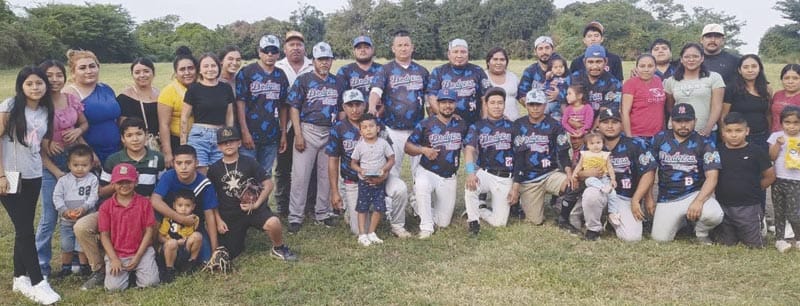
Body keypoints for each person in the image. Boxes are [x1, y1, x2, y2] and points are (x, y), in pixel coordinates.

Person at [75, 118, 165, 290]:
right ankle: (100, 269)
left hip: (145, 208)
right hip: (114, 208)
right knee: (81, 226)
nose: (135, 139)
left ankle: (147, 265)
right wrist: (123, 181)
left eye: (139, 134)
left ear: (146, 136)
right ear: (123, 139)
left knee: (154, 228)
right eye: (129, 135)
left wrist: (143, 194)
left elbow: (161, 188)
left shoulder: (157, 158)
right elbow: (101, 191)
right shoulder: (114, 159)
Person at [2, 66, 60, 305]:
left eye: (39, 83)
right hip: (10, 175)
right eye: (30, 84)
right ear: (21, 86)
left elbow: (40, 147)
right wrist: (1, 176)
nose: (35, 87)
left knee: (24, 226)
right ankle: (38, 281)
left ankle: (19, 278)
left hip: (34, 174)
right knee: (25, 228)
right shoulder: (10, 106)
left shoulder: (47, 110)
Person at [327, 89, 411, 238]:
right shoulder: (338, 128)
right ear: (344, 107)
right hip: (353, 180)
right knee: (359, 230)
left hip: (380, 176)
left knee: (400, 189)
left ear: (365, 105)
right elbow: (333, 160)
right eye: (350, 105)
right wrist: (334, 191)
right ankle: (353, 210)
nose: (354, 109)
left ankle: (397, 225)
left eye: (358, 104)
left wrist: (383, 176)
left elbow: (391, 155)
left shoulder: (377, 125)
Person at [207, 127, 297, 260]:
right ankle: (238, 239)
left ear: (239, 143)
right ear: (218, 146)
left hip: (253, 209)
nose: (228, 145)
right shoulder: (214, 169)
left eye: (232, 141)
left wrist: (256, 204)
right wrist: (219, 220)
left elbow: (268, 184)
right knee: (230, 253)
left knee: (274, 223)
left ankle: (278, 248)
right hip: (230, 214)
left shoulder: (249, 162)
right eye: (224, 142)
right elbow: (210, 198)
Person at [35, 59, 90, 278]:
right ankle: (41, 265)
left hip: (75, 160)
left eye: (59, 75)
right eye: (49, 75)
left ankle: (76, 259)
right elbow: (34, 143)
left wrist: (78, 132)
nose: (55, 79)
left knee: (78, 210)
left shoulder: (71, 99)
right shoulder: (38, 104)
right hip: (48, 164)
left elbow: (84, 124)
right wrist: (54, 170)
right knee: (50, 216)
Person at [286, 41, 344, 233]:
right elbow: (294, 107)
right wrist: (298, 134)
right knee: (300, 176)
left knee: (326, 176)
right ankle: (295, 216)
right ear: (313, 61)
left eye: (327, 59)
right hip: (308, 129)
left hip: (330, 131)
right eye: (320, 60)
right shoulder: (304, 80)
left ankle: (323, 213)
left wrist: (340, 133)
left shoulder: (337, 82)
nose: (324, 63)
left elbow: (342, 109)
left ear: (332, 60)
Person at [578, 108, 656, 242]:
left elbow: (649, 172)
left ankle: (611, 220)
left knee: (632, 238)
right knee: (591, 194)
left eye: (614, 122)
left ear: (621, 124)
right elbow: (578, 173)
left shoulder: (636, 144)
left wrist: (637, 199)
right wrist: (586, 173)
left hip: (625, 197)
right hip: (600, 192)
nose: (609, 126)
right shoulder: (591, 144)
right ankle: (593, 228)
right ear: (598, 125)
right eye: (605, 122)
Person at [650, 103, 723, 244]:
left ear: (695, 121)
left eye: (687, 121)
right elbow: (649, 170)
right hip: (668, 198)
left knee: (714, 215)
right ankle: (683, 222)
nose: (683, 125)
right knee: (660, 239)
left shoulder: (705, 142)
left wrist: (699, 201)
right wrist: (648, 198)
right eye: (678, 121)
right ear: (671, 121)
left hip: (694, 193)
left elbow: (712, 177)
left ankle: (701, 231)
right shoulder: (659, 138)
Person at [405, 89, 468, 238]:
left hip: (448, 176)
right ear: (437, 104)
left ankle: (415, 203)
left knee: (443, 222)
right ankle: (426, 227)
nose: (447, 106)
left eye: (450, 102)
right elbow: (407, 147)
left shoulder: (461, 124)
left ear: (455, 104)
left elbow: (469, 149)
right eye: (444, 102)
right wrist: (423, 150)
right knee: (421, 185)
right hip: (427, 171)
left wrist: (470, 170)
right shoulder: (426, 124)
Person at [368, 30, 429, 181]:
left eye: (406, 45)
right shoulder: (385, 70)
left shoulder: (422, 71)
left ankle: (417, 201)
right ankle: (393, 201)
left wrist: (434, 122)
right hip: (393, 128)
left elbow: (429, 99)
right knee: (393, 168)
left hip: (417, 127)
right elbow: (376, 90)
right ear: (393, 48)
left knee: (420, 169)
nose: (403, 48)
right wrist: (371, 107)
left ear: (412, 47)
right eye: (399, 45)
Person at [508, 89, 572, 226]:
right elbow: (519, 157)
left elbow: (563, 152)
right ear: (526, 105)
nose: (535, 108)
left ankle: (565, 215)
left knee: (573, 184)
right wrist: (516, 186)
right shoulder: (518, 125)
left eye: (539, 104)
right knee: (535, 221)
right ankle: (522, 199)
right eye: (531, 104)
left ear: (545, 105)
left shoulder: (555, 124)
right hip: (529, 178)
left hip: (550, 173)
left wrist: (569, 172)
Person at [150, 145, 219, 264]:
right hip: (168, 222)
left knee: (206, 259)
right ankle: (156, 252)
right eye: (179, 163)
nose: (183, 167)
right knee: (153, 216)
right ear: (173, 163)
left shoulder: (204, 183)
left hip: (193, 226)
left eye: (188, 162)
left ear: (196, 163)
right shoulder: (169, 176)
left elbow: (209, 216)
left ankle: (188, 257)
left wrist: (215, 250)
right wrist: (180, 219)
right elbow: (155, 200)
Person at [236, 35, 290, 181]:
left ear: (279, 54)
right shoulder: (247, 72)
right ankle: (247, 204)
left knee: (265, 176)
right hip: (250, 134)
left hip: (271, 136)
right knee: (247, 175)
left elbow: (284, 106)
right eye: (266, 51)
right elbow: (240, 102)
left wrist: (283, 133)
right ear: (259, 52)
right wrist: (244, 131)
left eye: (274, 51)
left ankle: (262, 204)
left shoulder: (280, 75)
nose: (270, 55)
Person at [717, 112, 774, 248]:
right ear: (723, 132)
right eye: (729, 131)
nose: (734, 134)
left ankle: (760, 223)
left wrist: (754, 187)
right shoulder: (718, 151)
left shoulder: (756, 151)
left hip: (749, 207)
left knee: (754, 246)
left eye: (739, 130)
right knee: (727, 244)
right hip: (723, 206)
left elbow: (770, 176)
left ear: (747, 131)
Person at [98, 163, 159, 291]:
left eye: (128, 181)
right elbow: (104, 235)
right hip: (118, 253)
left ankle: (138, 272)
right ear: (113, 184)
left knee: (151, 283)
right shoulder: (106, 206)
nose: (124, 185)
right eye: (120, 182)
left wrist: (137, 257)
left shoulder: (144, 203)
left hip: (141, 251)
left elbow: (149, 231)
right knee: (114, 288)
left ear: (136, 182)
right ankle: (128, 275)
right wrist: (114, 259)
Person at [274, 30, 315, 217]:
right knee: (283, 167)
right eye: (292, 44)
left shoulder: (312, 66)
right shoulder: (277, 66)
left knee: (309, 167)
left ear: (304, 47)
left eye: (299, 44)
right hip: (283, 124)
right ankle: (283, 205)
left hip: (306, 124)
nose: (296, 48)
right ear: (285, 47)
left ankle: (309, 204)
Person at [463, 87, 515, 232]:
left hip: (505, 176)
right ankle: (473, 221)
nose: (497, 106)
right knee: (470, 186)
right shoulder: (477, 126)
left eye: (500, 103)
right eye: (492, 103)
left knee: (500, 223)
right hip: (485, 172)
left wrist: (516, 185)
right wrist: (470, 172)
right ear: (486, 104)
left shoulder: (513, 127)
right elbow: (469, 149)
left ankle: (480, 209)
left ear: (504, 105)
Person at [62, 49, 120, 163]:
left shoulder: (106, 88)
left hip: (115, 151)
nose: (89, 71)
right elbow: (70, 129)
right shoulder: (69, 93)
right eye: (82, 68)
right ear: (73, 72)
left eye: (92, 66)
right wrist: (89, 153)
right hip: (88, 154)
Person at [181, 53, 235, 174]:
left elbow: (229, 115)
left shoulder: (226, 88)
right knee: (201, 175)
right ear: (199, 70)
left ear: (218, 67)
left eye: (213, 66)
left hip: (220, 136)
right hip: (199, 136)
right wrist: (183, 143)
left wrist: (229, 136)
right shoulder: (194, 89)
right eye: (205, 66)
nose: (210, 69)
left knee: (220, 173)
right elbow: (184, 117)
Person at [52, 144, 97, 278]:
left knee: (82, 245)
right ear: (69, 164)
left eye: (84, 165)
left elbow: (94, 196)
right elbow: (57, 196)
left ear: (91, 165)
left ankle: (84, 268)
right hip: (67, 220)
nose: (80, 168)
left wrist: (85, 208)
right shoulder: (63, 180)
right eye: (76, 165)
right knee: (67, 245)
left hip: (84, 219)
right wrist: (64, 210)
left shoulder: (92, 179)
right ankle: (66, 267)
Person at [663, 43, 725, 138]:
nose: (691, 60)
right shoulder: (671, 81)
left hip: (705, 131)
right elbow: (670, 107)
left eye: (695, 56)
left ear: (702, 58)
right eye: (687, 57)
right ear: (681, 59)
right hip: (678, 133)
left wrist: (708, 129)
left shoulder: (714, 78)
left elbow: (717, 106)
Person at [350, 113, 395, 246]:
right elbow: (353, 163)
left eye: (371, 126)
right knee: (362, 207)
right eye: (364, 127)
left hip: (379, 180)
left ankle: (371, 232)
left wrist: (384, 169)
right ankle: (362, 234)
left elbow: (392, 159)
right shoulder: (360, 145)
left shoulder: (383, 143)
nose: (368, 129)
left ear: (378, 128)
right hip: (364, 182)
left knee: (379, 207)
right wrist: (360, 170)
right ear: (360, 131)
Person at [427, 38, 491, 126]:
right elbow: (431, 97)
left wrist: (485, 122)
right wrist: (446, 117)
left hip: (473, 125)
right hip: (446, 126)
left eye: (463, 52)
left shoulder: (477, 71)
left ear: (468, 54)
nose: (459, 55)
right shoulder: (438, 72)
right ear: (449, 54)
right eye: (455, 52)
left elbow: (486, 98)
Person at [721, 54, 772, 150]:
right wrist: (725, 137)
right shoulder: (731, 89)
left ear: (760, 68)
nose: (750, 70)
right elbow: (724, 116)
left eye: (754, 66)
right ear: (740, 70)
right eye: (745, 67)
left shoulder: (767, 89)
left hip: (762, 136)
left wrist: (770, 135)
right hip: (738, 138)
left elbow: (768, 114)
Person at [561, 44, 622, 123]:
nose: (595, 66)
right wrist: (570, 121)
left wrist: (589, 130)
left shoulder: (614, 83)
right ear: (584, 62)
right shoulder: (572, 79)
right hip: (571, 120)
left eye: (599, 62)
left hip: (598, 124)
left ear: (606, 61)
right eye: (590, 62)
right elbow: (562, 102)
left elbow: (606, 111)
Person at [768, 106, 800, 252]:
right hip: (779, 179)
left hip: (796, 180)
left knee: (794, 212)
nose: (791, 126)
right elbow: (772, 157)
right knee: (779, 210)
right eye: (787, 122)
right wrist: (778, 144)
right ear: (781, 123)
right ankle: (780, 239)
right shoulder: (776, 136)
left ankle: (798, 238)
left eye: (796, 123)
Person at [158, 46, 197, 167]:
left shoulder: (201, 87)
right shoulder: (168, 91)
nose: (187, 73)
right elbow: (164, 124)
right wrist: (168, 153)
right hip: (176, 141)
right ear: (176, 72)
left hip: (199, 140)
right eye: (182, 69)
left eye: (190, 68)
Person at [156, 189, 201, 283]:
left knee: (198, 236)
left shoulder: (194, 219)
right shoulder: (168, 219)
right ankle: (169, 270)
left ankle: (191, 263)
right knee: (172, 243)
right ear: (174, 206)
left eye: (187, 205)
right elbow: (160, 237)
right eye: (180, 205)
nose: (183, 209)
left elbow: (192, 235)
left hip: (184, 248)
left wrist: (184, 241)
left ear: (193, 207)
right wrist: (176, 242)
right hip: (169, 250)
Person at [621, 54, 666, 139]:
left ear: (655, 68)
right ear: (636, 68)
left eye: (650, 66)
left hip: (658, 135)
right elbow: (625, 112)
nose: (646, 69)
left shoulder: (659, 81)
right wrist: (629, 136)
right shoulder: (630, 84)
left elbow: (661, 108)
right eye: (642, 66)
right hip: (637, 134)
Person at [117, 58, 160, 140]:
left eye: (146, 71)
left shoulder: (160, 94)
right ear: (132, 75)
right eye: (137, 72)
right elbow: (123, 129)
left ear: (153, 73)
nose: (142, 75)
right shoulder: (125, 98)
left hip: (159, 143)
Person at [518, 36, 561, 109]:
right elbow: (521, 95)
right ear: (535, 52)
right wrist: (535, 110)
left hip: (557, 116)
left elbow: (572, 93)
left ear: (553, 50)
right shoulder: (530, 71)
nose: (544, 52)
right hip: (537, 117)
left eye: (547, 48)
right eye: (540, 49)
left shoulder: (561, 70)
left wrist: (559, 96)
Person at [337, 35, 382, 99]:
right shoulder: (344, 71)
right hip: (353, 108)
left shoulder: (382, 70)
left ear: (372, 50)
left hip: (379, 108)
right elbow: (340, 97)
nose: (363, 50)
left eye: (366, 47)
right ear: (354, 52)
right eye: (359, 48)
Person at [484, 47, 520, 120]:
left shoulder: (513, 77)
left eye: (502, 60)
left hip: (513, 123)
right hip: (490, 125)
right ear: (488, 62)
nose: (498, 63)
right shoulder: (483, 77)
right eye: (495, 59)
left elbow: (522, 97)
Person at [771, 64, 800, 132]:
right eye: (786, 78)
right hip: (774, 137)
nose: (790, 82)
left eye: (795, 78)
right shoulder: (777, 94)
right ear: (782, 79)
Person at [544, 57, 569, 121]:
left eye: (561, 67)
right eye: (555, 67)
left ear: (565, 68)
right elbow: (545, 88)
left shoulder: (567, 79)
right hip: (548, 102)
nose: (558, 69)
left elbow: (568, 91)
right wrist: (547, 79)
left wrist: (558, 95)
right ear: (551, 69)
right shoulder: (551, 78)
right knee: (542, 116)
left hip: (559, 105)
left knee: (556, 119)